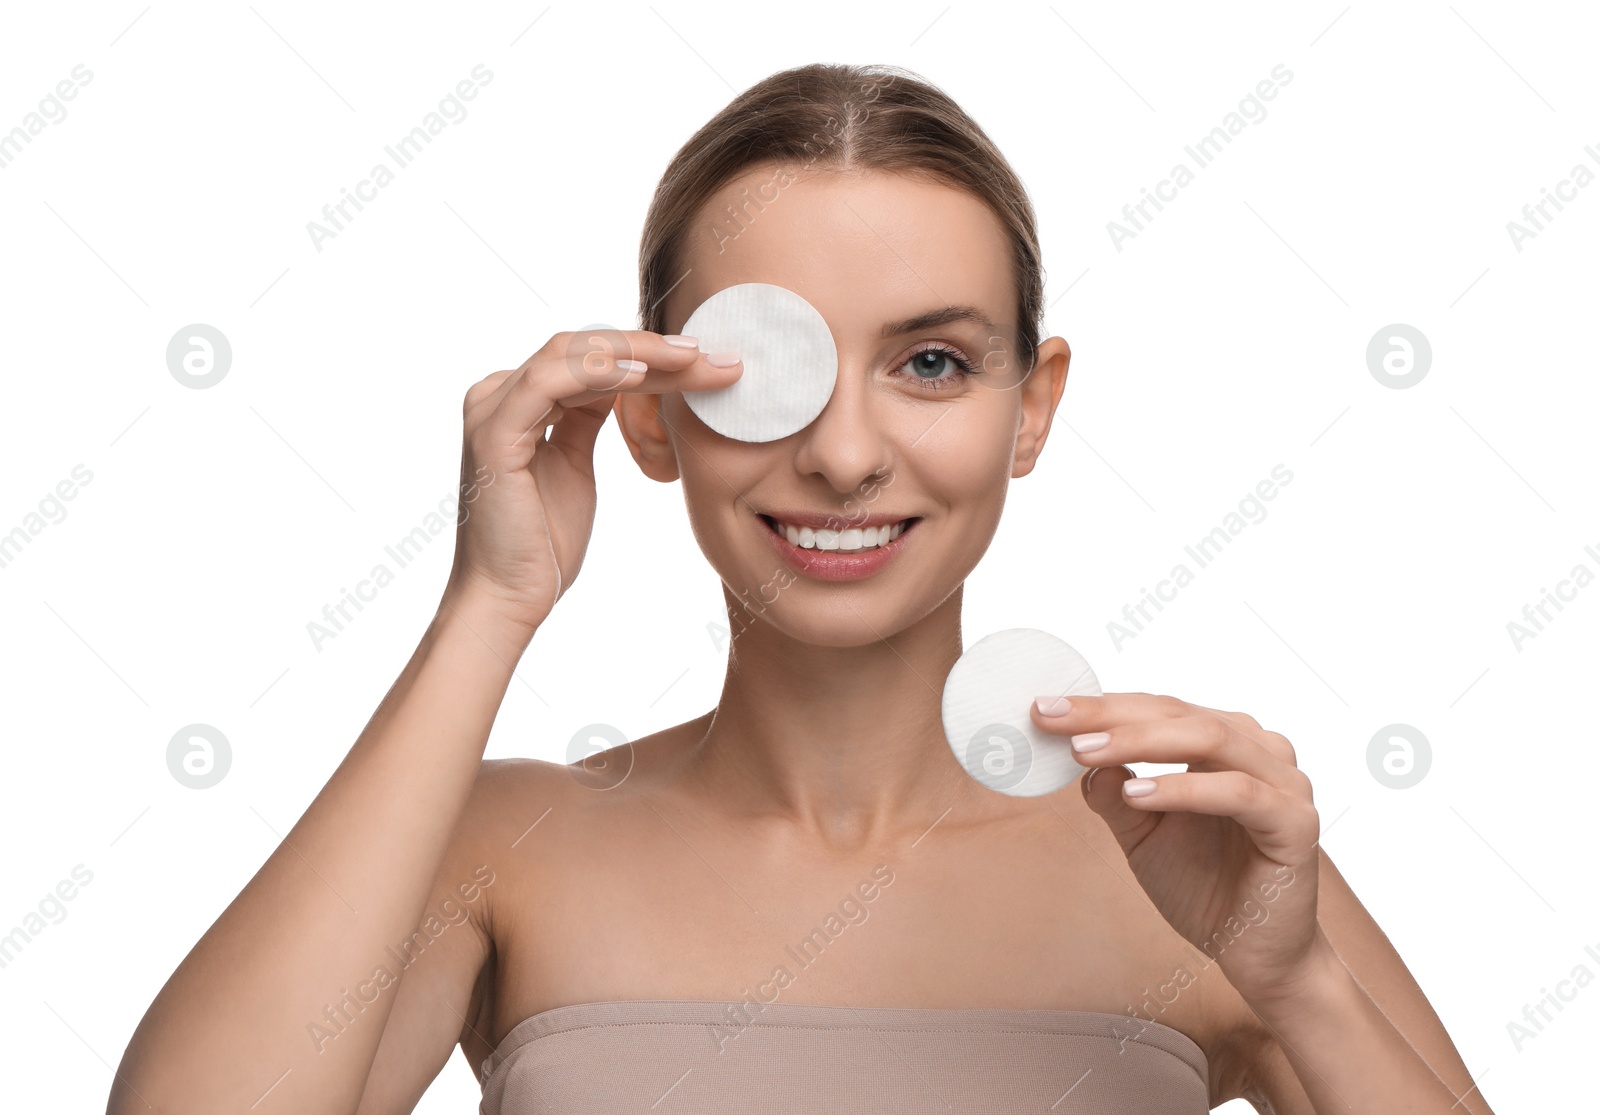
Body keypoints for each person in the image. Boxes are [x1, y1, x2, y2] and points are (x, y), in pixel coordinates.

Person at [110, 62, 1494, 1114]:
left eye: (933, 363)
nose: (842, 453)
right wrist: (491, 606)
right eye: (770, 370)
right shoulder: (508, 848)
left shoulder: (1194, 863)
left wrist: (1300, 984)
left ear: (1034, 406)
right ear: (651, 414)